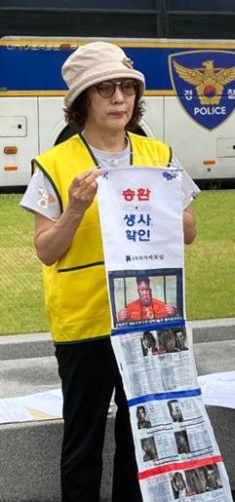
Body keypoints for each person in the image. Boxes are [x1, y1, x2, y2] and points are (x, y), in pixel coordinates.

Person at [19, 42, 198, 502]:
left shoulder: (158, 154)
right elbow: (45, 250)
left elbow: (191, 232)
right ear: (82, 102)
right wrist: (75, 209)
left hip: (148, 319)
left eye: (126, 88)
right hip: (84, 324)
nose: (119, 99)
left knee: (141, 441)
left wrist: (159, 199)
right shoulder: (55, 165)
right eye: (105, 89)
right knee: (83, 442)